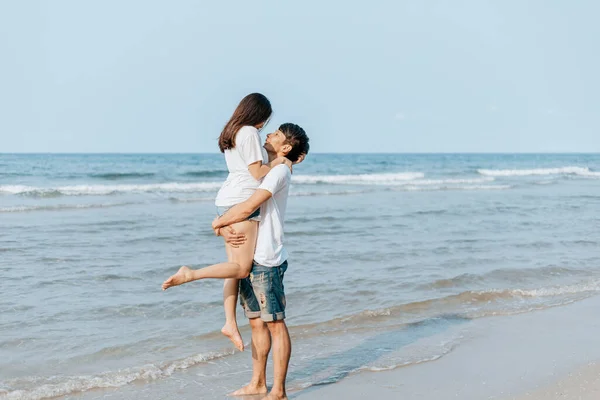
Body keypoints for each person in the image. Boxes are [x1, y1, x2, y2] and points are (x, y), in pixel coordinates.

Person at [163, 123, 310, 400]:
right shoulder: (274, 166)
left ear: (286, 147)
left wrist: (217, 222)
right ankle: (257, 383)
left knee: (275, 325)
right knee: (256, 323)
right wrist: (225, 224)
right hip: (250, 255)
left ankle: (278, 390)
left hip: (267, 258)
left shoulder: (278, 172)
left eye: (275, 134)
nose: (268, 135)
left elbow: (248, 205)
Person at [187, 93, 292, 351]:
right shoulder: (250, 133)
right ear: (260, 115)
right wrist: (280, 162)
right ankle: (190, 274)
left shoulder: (233, 131)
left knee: (233, 267)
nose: (265, 127)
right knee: (241, 269)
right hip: (241, 200)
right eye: (266, 121)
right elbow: (256, 173)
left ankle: (230, 322)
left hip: (227, 198)